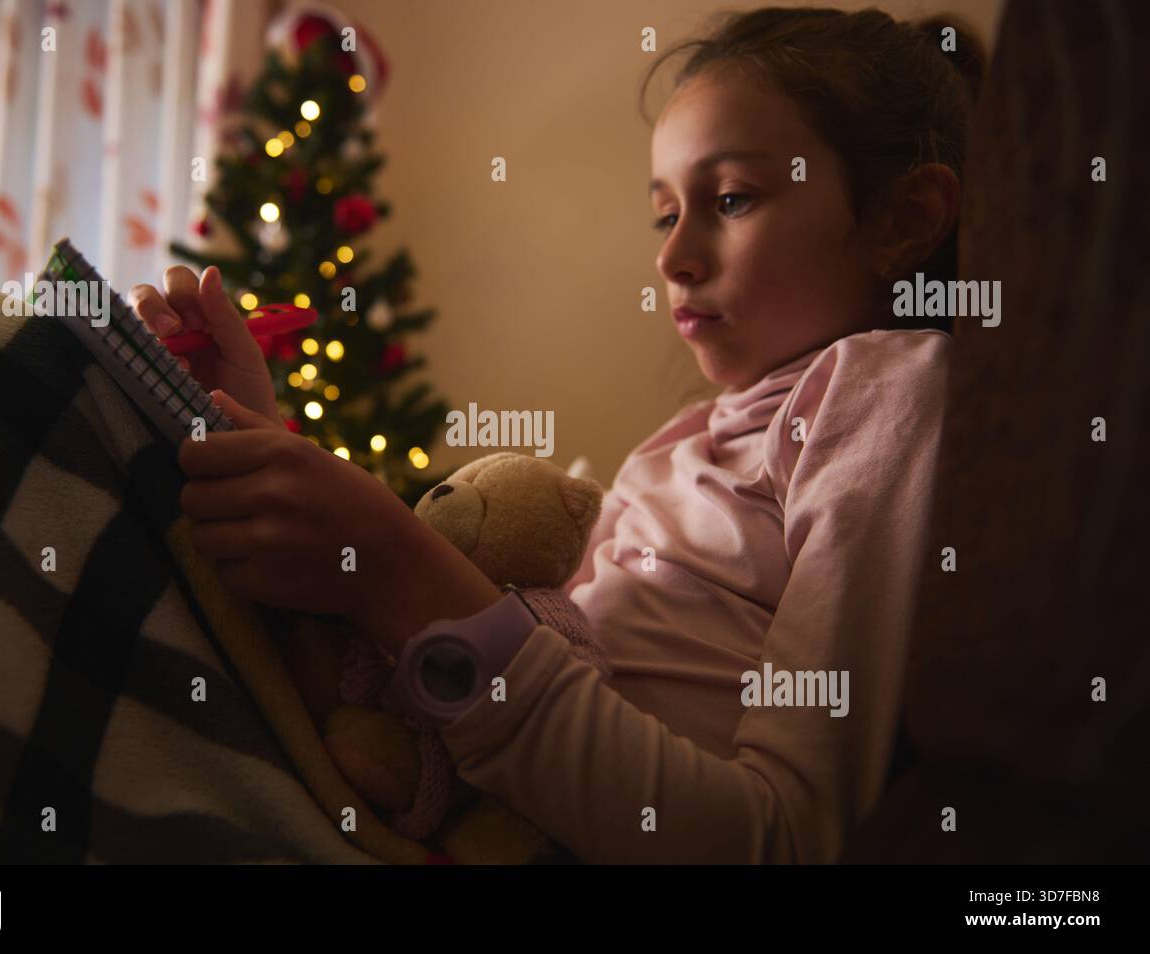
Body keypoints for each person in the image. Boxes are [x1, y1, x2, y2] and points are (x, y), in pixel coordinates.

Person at [126, 7, 983, 863]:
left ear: (905, 221)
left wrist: (395, 563)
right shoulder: (678, 444)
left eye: (731, 199)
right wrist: (244, 429)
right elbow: (542, 655)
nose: (672, 257)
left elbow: (784, 840)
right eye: (665, 215)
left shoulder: (886, 388)